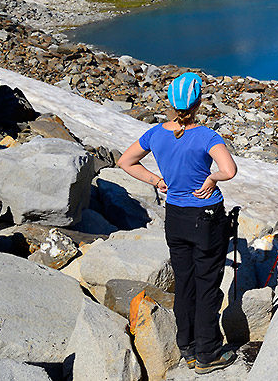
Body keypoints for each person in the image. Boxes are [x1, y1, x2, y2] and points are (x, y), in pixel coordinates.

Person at [117, 72, 238, 375]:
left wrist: (156, 180)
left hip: (176, 216)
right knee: (207, 284)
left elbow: (125, 161)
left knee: (185, 282)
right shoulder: (207, 136)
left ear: (170, 102)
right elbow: (229, 170)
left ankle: (187, 346)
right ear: (198, 103)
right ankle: (208, 352)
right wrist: (211, 178)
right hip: (206, 216)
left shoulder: (156, 134)